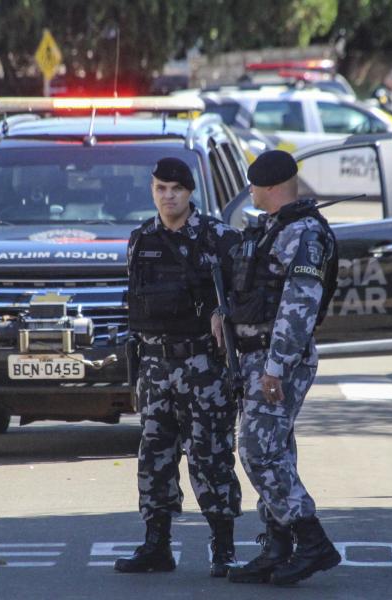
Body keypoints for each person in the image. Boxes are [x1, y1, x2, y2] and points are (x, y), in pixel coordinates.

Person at [114, 157, 242, 578]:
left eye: (175, 188)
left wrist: (225, 315)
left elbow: (246, 293)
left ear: (190, 192)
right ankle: (157, 545)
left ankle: (223, 547)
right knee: (154, 457)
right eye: (160, 188)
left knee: (211, 457)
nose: (167, 196)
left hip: (203, 366)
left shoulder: (217, 237)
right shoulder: (140, 240)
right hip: (155, 366)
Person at [223, 150, 341, 586]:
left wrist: (275, 367)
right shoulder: (278, 227)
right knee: (277, 451)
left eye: (254, 186)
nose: (251, 193)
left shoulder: (305, 233)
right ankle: (277, 547)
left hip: (278, 362)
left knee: (259, 451)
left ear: (271, 187)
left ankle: (312, 542)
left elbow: (299, 306)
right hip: (258, 357)